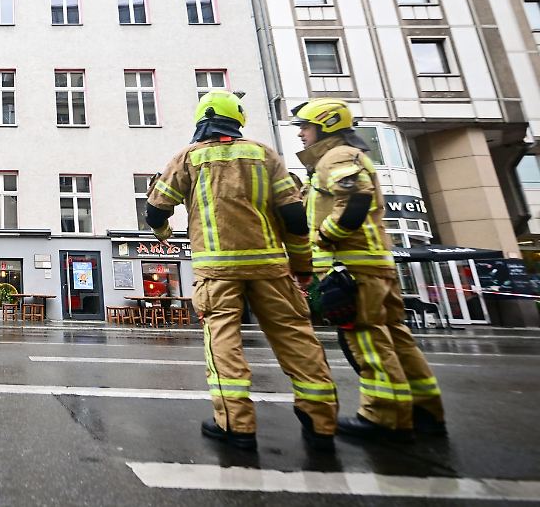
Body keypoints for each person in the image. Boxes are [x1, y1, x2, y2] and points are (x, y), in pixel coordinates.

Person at [147, 91, 337, 451]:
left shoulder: (189, 158)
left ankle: (236, 425)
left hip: (217, 271)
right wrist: (302, 269)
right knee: (297, 339)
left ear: (202, 120)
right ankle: (321, 421)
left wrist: (164, 234)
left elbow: (156, 209)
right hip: (271, 267)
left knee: (223, 343)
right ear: (238, 121)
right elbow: (295, 218)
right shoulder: (265, 155)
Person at [291, 98, 444, 442]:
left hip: (354, 269)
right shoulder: (343, 158)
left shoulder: (338, 157)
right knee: (398, 339)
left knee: (369, 342)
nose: (301, 133)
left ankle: (385, 417)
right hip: (372, 265)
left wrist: (325, 238)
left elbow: (354, 202)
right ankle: (424, 409)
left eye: (306, 126)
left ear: (326, 126)